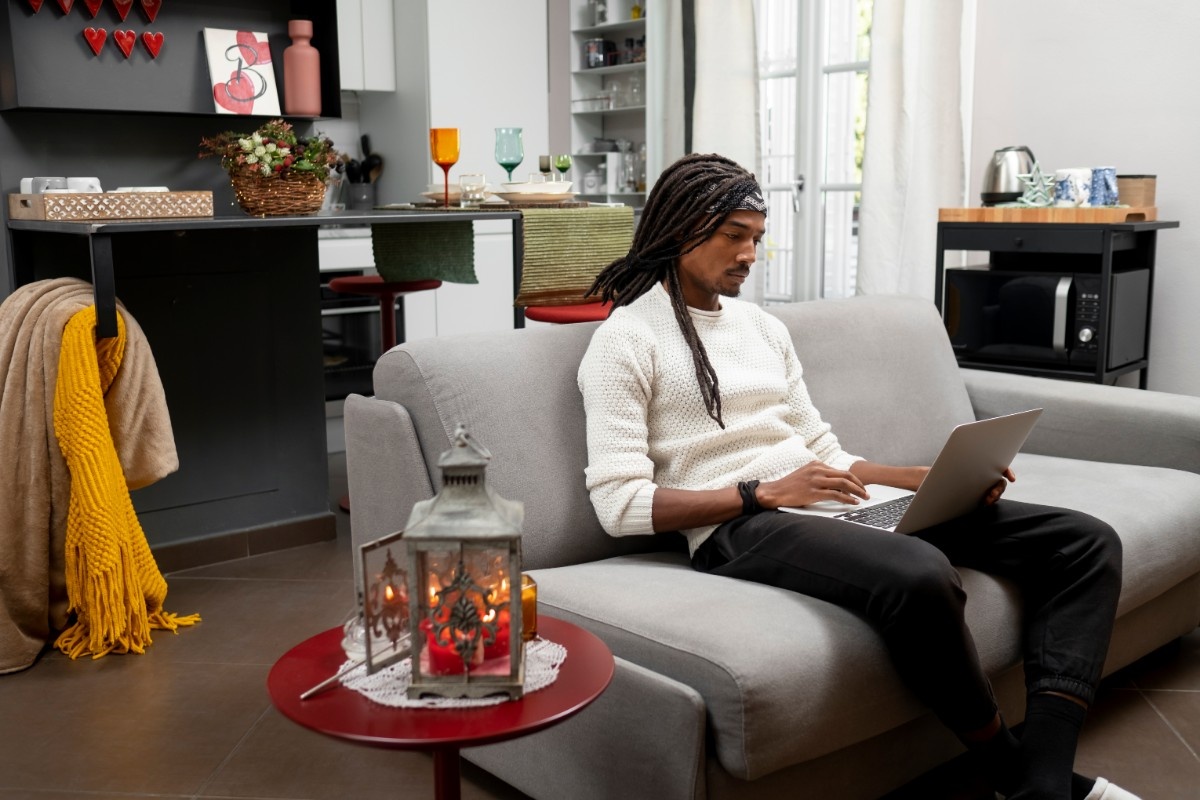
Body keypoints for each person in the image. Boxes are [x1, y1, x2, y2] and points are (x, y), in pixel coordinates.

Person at [576, 153, 1135, 800]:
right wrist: (763, 493)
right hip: (740, 525)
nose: (750, 254)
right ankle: (1013, 771)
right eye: (734, 235)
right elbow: (620, 505)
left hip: (823, 502)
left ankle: (1044, 779)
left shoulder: (763, 328)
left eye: (757, 238)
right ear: (680, 229)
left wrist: (919, 478)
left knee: (1085, 543)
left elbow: (824, 450)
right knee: (920, 573)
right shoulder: (626, 340)